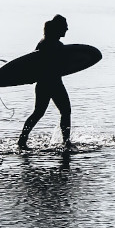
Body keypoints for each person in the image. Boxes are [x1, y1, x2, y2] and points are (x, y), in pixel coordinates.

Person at [19, 14, 73, 151]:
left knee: (39, 112)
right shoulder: (52, 44)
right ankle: (66, 143)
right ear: (58, 28)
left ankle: (22, 139)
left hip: (44, 84)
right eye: (65, 26)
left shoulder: (44, 42)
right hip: (52, 83)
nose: (67, 28)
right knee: (65, 111)